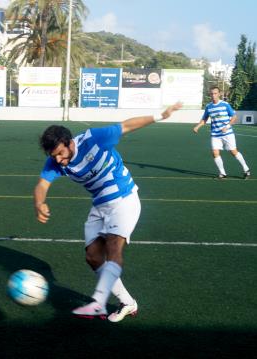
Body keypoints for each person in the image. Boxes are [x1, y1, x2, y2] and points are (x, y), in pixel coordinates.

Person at [34, 102, 182, 322]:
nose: (57, 159)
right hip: (100, 205)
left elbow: (126, 126)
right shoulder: (55, 162)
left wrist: (161, 115)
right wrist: (39, 203)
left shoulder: (94, 138)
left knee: (113, 246)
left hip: (124, 198)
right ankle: (128, 302)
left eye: (60, 153)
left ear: (69, 142)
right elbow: (42, 184)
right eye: (53, 155)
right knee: (93, 257)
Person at [193, 86, 250, 179]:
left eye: (215, 93)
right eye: (211, 94)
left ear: (219, 94)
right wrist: (197, 126)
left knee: (233, 152)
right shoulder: (208, 106)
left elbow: (234, 117)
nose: (213, 95)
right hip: (215, 134)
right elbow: (205, 119)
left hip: (227, 133)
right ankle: (223, 173)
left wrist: (227, 127)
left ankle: (246, 169)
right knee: (215, 152)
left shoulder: (225, 104)